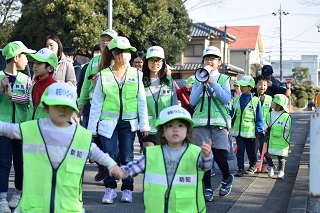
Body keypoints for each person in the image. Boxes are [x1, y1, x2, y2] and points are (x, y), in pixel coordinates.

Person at [0, 82, 122, 212]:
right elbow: (7, 129)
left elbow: (95, 152)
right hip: (33, 208)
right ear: (46, 107)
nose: (62, 110)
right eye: (57, 105)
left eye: (67, 106)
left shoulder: (81, 136)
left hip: (67, 208)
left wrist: (111, 165)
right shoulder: (31, 129)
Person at [87, 36, 150, 204]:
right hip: (107, 123)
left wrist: (144, 125)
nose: (124, 55)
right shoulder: (103, 75)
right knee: (109, 155)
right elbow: (96, 103)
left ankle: (127, 189)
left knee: (127, 157)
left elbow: (142, 102)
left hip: (128, 124)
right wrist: (91, 129)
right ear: (113, 54)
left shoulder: (137, 74)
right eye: (120, 52)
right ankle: (110, 189)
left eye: (127, 52)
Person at [119, 105, 213, 213]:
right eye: (170, 126)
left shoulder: (195, 152)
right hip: (158, 208)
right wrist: (121, 171)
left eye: (181, 125)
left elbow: (205, 166)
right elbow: (136, 167)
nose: (175, 129)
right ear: (163, 132)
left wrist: (206, 155)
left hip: (187, 209)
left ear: (188, 131)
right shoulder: (153, 153)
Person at [190, 46, 234, 201]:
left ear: (219, 62)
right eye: (207, 58)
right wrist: (201, 85)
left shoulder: (224, 79)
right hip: (201, 123)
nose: (210, 61)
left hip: (219, 123)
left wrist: (212, 83)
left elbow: (226, 99)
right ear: (203, 61)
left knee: (221, 155)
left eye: (213, 58)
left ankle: (227, 178)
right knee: (205, 156)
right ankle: (207, 187)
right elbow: (192, 101)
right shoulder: (197, 78)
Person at [77, 29, 117, 182]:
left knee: (111, 143)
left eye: (109, 40)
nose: (105, 43)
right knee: (95, 140)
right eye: (103, 40)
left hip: (112, 109)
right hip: (93, 108)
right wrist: (81, 102)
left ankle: (112, 169)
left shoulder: (118, 62)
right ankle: (103, 168)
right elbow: (86, 85)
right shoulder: (93, 62)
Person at [0, 41, 35, 212]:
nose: (27, 60)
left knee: (21, 164)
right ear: (15, 58)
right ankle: (2, 199)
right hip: (2, 128)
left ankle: (18, 193)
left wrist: (11, 95)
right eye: (25, 55)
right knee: (4, 163)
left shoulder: (26, 80)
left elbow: (29, 100)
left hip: (22, 128)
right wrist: (1, 91)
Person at [142, 45, 178, 147]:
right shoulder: (140, 82)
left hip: (165, 129)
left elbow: (174, 104)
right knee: (150, 158)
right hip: (147, 129)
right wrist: (143, 126)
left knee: (164, 159)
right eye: (152, 60)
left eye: (158, 60)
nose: (155, 63)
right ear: (147, 62)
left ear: (163, 63)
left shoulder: (169, 82)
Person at [230, 75, 264, 177]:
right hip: (238, 132)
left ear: (250, 87)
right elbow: (231, 114)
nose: (241, 87)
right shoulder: (236, 100)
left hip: (250, 132)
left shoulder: (255, 101)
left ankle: (252, 166)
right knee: (240, 151)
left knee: (251, 151)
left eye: (244, 86)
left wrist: (259, 130)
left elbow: (259, 117)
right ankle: (240, 168)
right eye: (241, 85)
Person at [26, 48, 58, 120]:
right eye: (34, 62)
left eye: (39, 63)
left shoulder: (54, 88)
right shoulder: (33, 86)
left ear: (50, 68)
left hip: (45, 128)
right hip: (30, 127)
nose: (34, 66)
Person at [264, 94, 292, 180]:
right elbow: (265, 124)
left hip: (281, 141)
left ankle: (281, 171)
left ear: (278, 105)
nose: (271, 103)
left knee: (281, 157)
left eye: (273, 102)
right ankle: (271, 166)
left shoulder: (287, 116)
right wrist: (265, 129)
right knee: (266, 154)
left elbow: (288, 129)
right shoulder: (270, 114)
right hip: (271, 140)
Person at [254, 75, 273, 172]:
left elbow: (271, 114)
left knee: (263, 148)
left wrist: (268, 126)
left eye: (265, 85)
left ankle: (264, 165)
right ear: (255, 85)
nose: (262, 87)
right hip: (252, 128)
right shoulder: (251, 97)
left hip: (264, 128)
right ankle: (254, 164)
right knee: (253, 148)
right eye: (260, 84)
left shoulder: (269, 99)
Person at [131, 51, 145, 154]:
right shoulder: (129, 74)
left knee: (142, 129)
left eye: (140, 62)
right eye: (136, 62)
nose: (138, 65)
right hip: (131, 107)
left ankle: (142, 144)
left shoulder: (146, 76)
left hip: (143, 107)